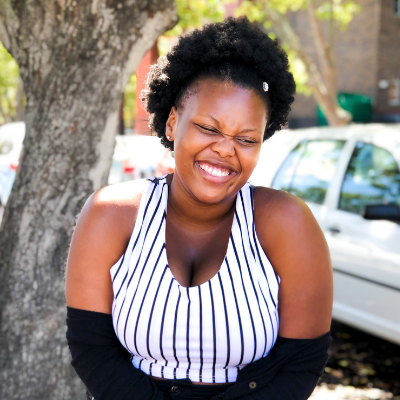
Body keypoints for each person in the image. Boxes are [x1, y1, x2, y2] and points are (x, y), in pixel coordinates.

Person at [65, 17, 333, 400]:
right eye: (209, 128)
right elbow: (92, 351)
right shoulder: (111, 214)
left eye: (245, 138)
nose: (226, 149)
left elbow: (301, 364)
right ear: (173, 123)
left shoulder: (286, 223)